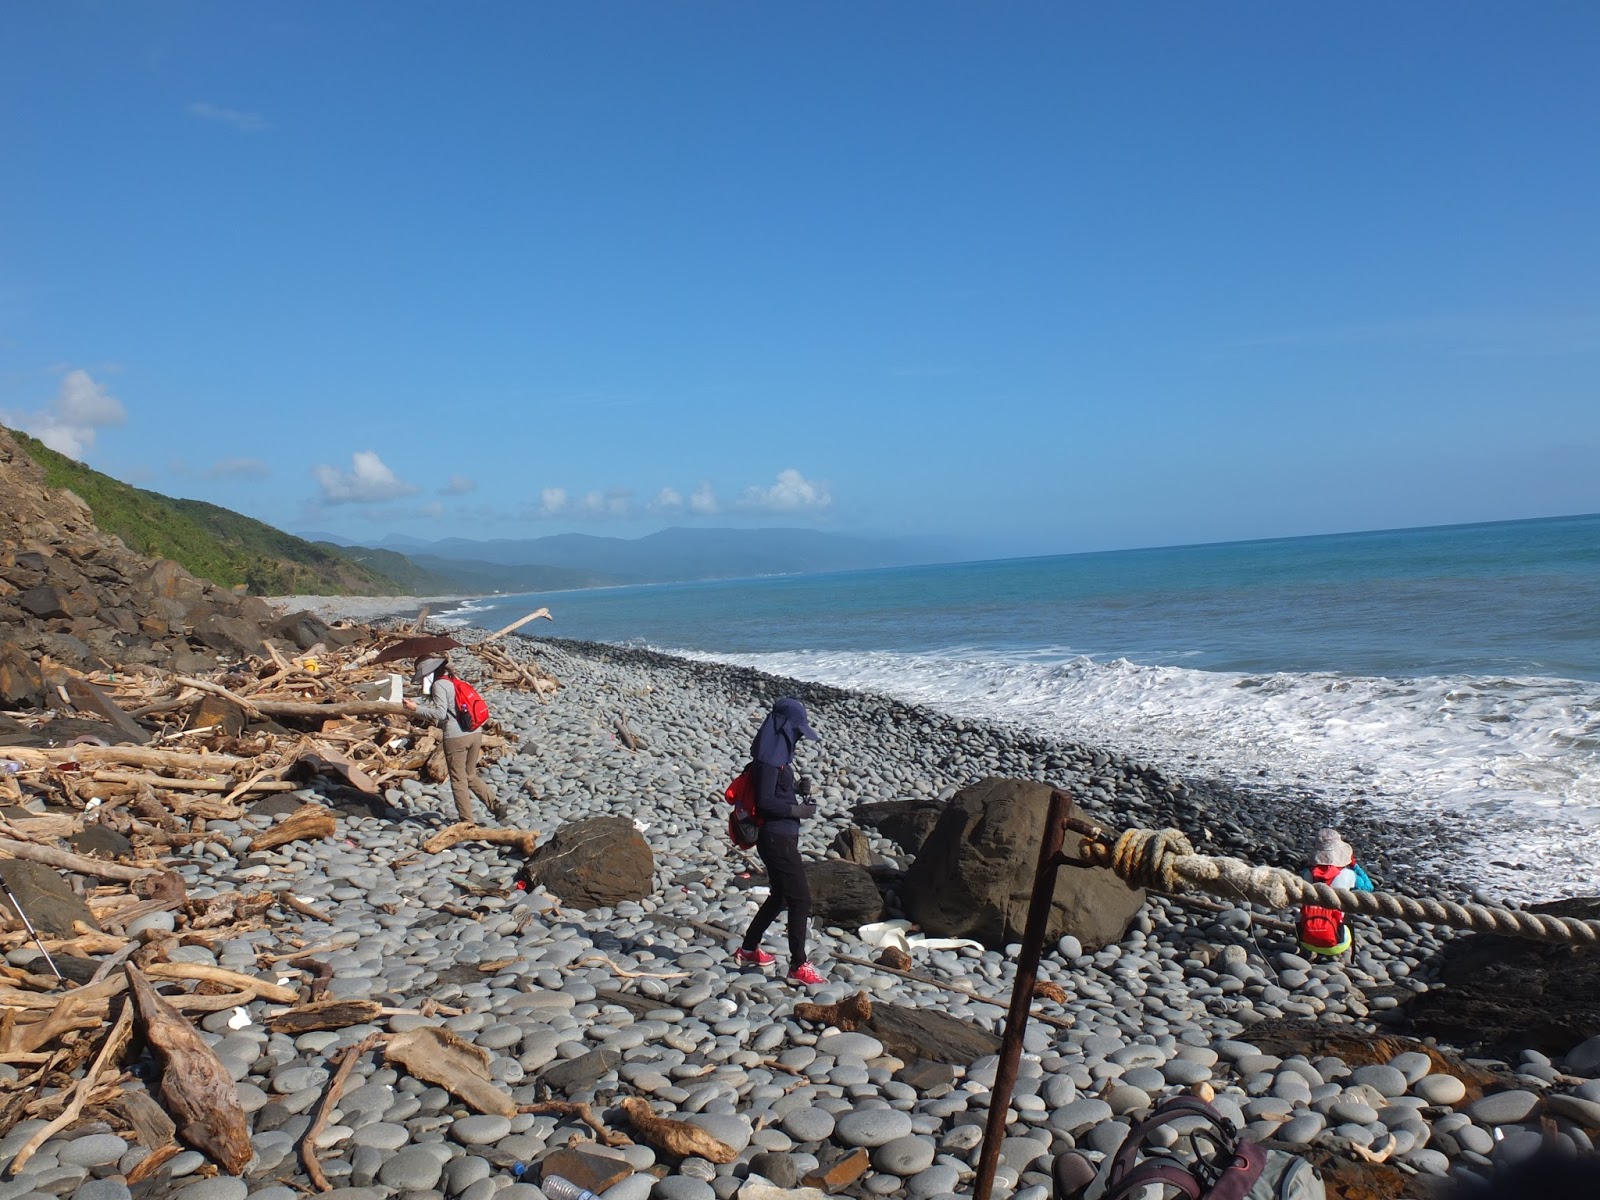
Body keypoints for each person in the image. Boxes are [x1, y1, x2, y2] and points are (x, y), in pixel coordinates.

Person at [736, 696, 825, 985]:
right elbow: (765, 802)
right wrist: (797, 810)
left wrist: (797, 788)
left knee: (780, 896)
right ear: (784, 727)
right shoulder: (769, 761)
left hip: (780, 837)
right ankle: (798, 965)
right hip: (777, 839)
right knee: (801, 899)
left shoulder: (776, 755)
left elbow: (774, 792)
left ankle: (748, 949)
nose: (798, 736)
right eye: (796, 730)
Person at [402, 656, 502, 824]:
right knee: (470, 775)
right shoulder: (453, 680)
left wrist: (415, 709)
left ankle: (467, 823)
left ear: (428, 673)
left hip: (456, 737)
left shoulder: (438, 685)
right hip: (475, 732)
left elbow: (440, 714)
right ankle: (497, 806)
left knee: (458, 780)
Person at [1296, 827, 1374, 958]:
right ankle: (1342, 955)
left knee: (1301, 913)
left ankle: (1307, 952)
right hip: (1336, 942)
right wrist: (1354, 865)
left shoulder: (1306, 874)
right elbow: (1368, 887)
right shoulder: (1348, 875)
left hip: (1306, 939)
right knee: (1347, 914)